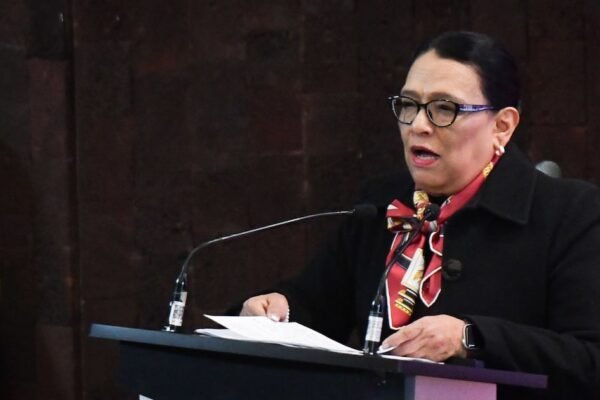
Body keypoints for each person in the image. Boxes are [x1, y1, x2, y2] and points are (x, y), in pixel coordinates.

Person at [239, 31, 600, 399]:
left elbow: (590, 359)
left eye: (444, 109)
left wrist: (469, 337)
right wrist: (281, 309)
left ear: (502, 126)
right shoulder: (380, 203)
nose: (418, 125)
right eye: (409, 105)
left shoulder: (570, 214)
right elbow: (318, 305)